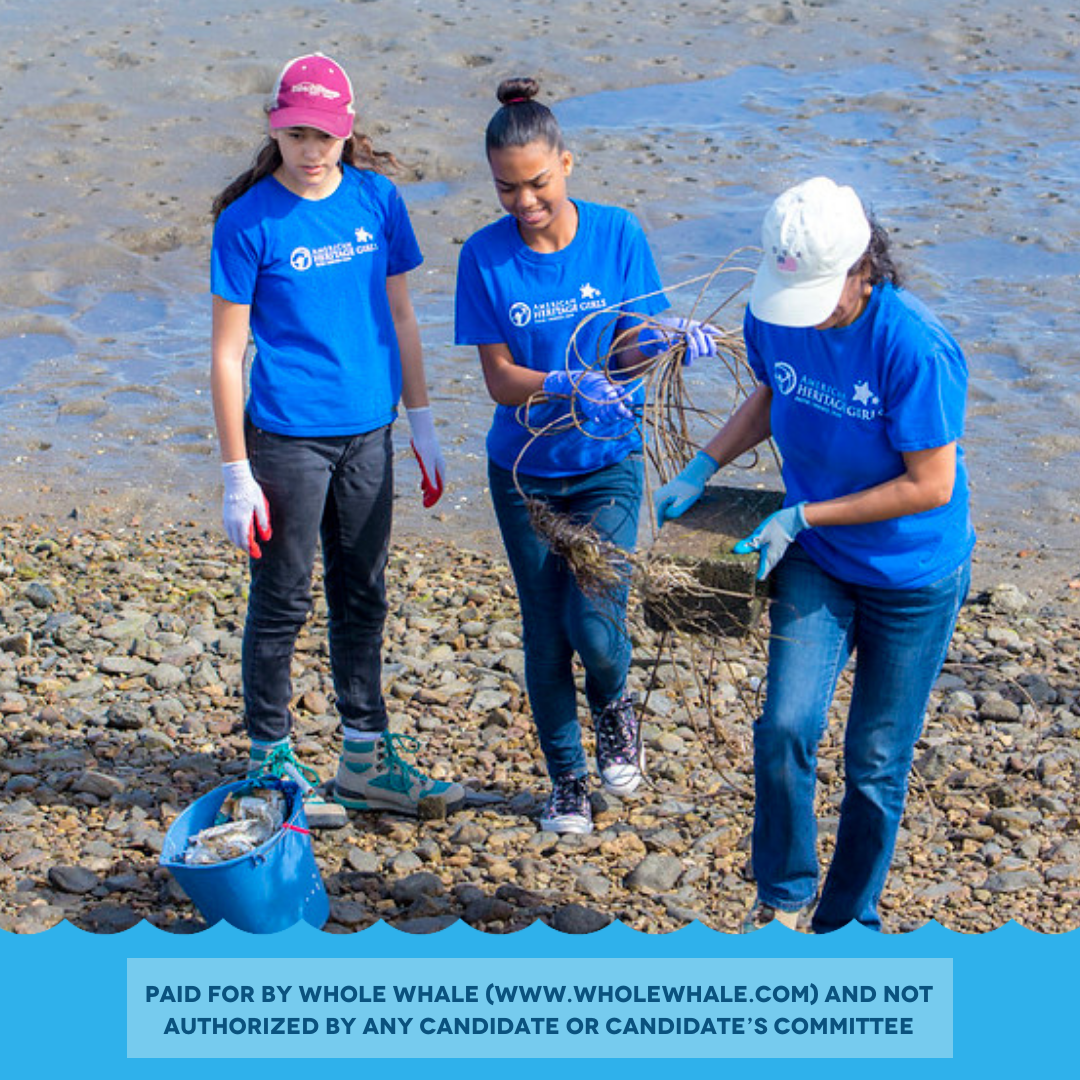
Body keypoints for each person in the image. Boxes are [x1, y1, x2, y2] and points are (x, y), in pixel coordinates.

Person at [655, 176, 975, 932]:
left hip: (911, 574)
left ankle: (847, 921)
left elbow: (930, 484)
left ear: (865, 266)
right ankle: (785, 897)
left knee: (875, 763)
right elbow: (776, 392)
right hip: (818, 556)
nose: (811, 316)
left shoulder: (914, 345)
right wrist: (703, 464)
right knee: (785, 727)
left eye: (823, 298)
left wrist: (803, 514)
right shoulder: (777, 313)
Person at [454, 77, 717, 834]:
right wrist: (563, 382)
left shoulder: (617, 233)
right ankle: (567, 782)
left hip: (608, 462)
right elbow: (501, 380)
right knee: (546, 631)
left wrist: (667, 339)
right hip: (524, 473)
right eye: (508, 188)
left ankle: (614, 707)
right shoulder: (484, 257)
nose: (525, 202)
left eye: (538, 182)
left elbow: (632, 349)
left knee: (595, 624)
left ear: (567, 163)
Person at [210, 53, 463, 826]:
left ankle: (364, 758)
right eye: (296, 135)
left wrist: (422, 423)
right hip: (286, 439)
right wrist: (236, 473)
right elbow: (227, 353)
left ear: (347, 131)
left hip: (369, 435)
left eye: (324, 135)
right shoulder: (247, 221)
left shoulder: (378, 200)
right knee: (282, 598)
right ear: (274, 130)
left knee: (363, 594)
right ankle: (270, 762)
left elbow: (404, 318)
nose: (311, 150)